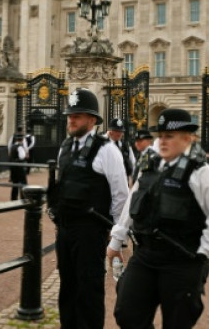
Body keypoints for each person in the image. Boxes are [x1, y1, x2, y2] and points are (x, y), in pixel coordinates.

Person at [107, 108, 209, 329]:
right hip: (145, 255)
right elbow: (131, 204)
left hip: (181, 260)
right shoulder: (150, 166)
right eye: (161, 136)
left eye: (170, 136)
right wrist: (116, 240)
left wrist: (201, 255)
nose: (163, 141)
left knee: (177, 322)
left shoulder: (201, 173)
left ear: (187, 138)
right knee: (127, 313)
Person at [48, 88, 129, 329]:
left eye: (78, 115)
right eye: (70, 115)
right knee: (68, 288)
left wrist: (113, 234)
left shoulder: (107, 150)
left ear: (92, 120)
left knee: (89, 291)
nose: (71, 119)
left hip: (90, 230)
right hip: (65, 230)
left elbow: (121, 195)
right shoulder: (65, 147)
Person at [9, 133, 28, 201]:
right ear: (22, 139)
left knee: (15, 183)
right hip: (19, 167)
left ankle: (13, 198)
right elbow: (22, 156)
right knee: (23, 182)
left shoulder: (12, 146)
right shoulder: (20, 146)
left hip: (13, 167)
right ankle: (24, 197)